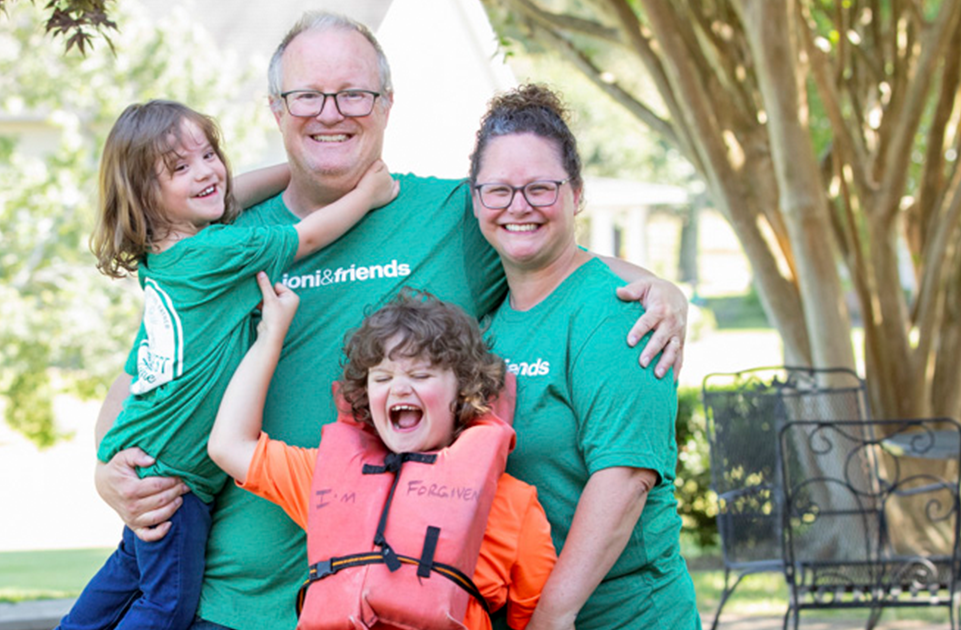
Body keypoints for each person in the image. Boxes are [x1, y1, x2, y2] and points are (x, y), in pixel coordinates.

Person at [93, 14, 688, 630]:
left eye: (354, 93)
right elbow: (147, 369)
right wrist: (105, 470)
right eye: (307, 96)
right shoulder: (229, 241)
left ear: (386, 104)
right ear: (275, 107)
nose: (331, 112)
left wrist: (660, 290)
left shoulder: (450, 216)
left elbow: (548, 249)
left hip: (396, 604)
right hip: (234, 603)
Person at [61, 99, 397, 630]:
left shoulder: (167, 251)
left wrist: (301, 168)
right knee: (167, 606)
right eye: (179, 167)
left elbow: (229, 192)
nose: (206, 172)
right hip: (179, 478)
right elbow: (305, 235)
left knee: (127, 572)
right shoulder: (214, 254)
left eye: (209, 154)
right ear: (147, 196)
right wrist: (366, 193)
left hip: (150, 452)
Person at [469, 84, 700, 630]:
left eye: (540, 188)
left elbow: (625, 478)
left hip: (623, 616)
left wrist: (552, 614)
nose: (518, 206)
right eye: (498, 190)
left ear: (576, 193)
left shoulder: (619, 314)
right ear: (476, 199)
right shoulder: (488, 320)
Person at [208, 280, 556, 630]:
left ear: (463, 393)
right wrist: (270, 333)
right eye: (382, 377)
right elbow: (229, 445)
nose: (399, 388)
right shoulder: (325, 477)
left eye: (421, 375)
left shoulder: (514, 504)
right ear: (365, 394)